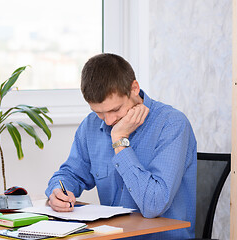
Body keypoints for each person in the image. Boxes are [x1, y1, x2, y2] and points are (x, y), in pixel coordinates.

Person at [45, 53, 197, 239]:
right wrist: (58, 191)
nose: (108, 121)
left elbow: (154, 205)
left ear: (134, 89)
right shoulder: (91, 125)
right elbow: (70, 173)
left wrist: (120, 140)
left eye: (115, 110)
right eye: (99, 112)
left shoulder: (172, 124)